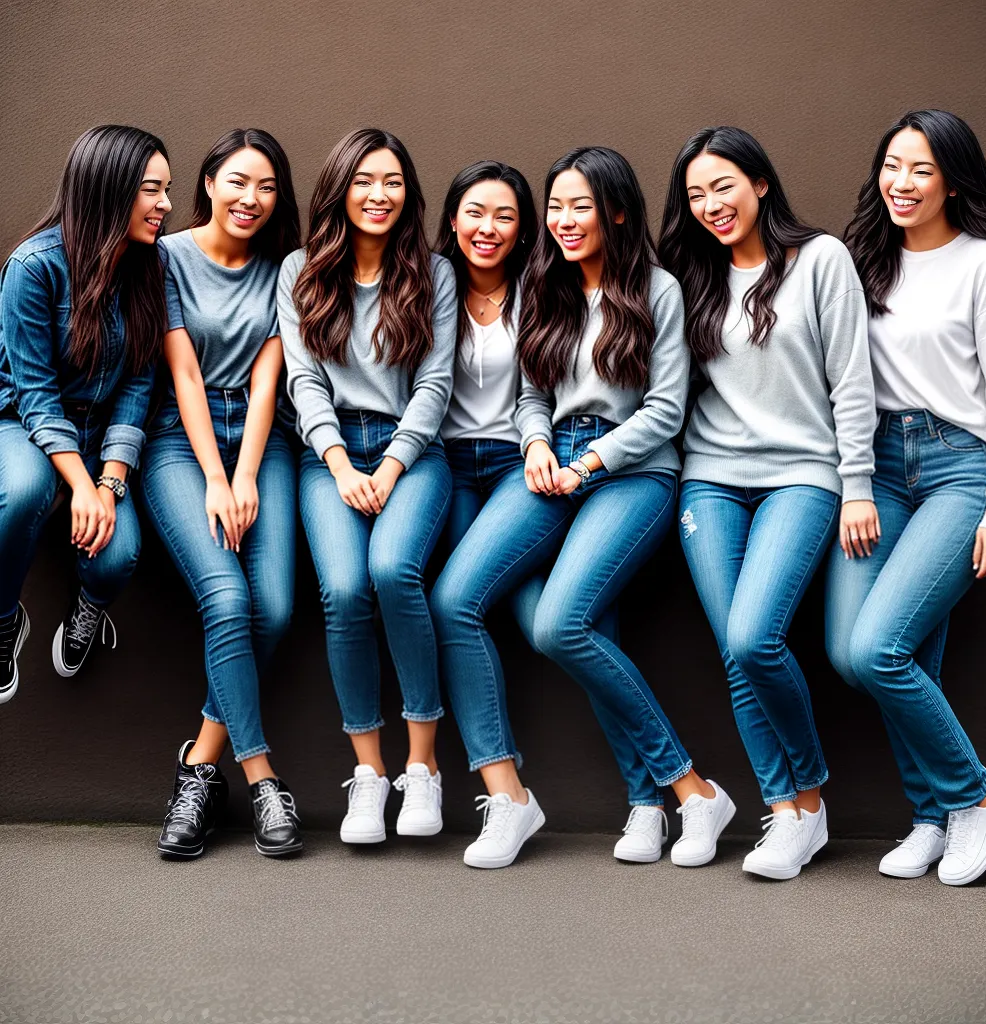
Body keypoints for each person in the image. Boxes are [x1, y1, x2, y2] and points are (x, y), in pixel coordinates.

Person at [432, 146, 733, 869]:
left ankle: (685, 791)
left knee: (563, 623)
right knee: (454, 600)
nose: (563, 221)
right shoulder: (548, 285)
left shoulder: (656, 290)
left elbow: (665, 410)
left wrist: (590, 462)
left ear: (617, 212)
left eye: (581, 206)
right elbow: (533, 393)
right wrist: (537, 446)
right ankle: (525, 800)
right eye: (557, 206)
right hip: (550, 465)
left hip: (633, 474)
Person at [658, 126, 878, 879]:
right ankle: (783, 812)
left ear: (759, 182)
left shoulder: (820, 261)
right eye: (695, 196)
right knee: (735, 652)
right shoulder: (690, 276)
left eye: (722, 186)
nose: (711, 205)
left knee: (755, 638)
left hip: (803, 477)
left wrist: (858, 486)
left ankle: (809, 803)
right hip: (709, 479)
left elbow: (853, 382)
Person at [826, 110, 986, 885]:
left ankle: (973, 796)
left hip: (957, 468)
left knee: (882, 647)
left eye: (922, 170)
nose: (902, 184)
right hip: (876, 469)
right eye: (893, 166)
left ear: (952, 181)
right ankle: (933, 817)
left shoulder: (985, 266)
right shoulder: (861, 260)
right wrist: (853, 481)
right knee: (856, 651)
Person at [278, 128, 457, 845]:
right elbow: (304, 380)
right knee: (345, 588)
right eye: (363, 181)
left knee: (392, 570)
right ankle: (370, 776)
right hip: (327, 457)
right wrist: (341, 464)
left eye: (391, 182)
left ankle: (422, 770)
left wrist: (387, 466)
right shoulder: (302, 269)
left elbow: (435, 383)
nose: (378, 195)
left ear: (408, 193)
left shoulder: (431, 272)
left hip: (410, 456)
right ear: (339, 190)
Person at [141, 129, 304, 858]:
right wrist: (214, 474)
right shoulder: (167, 256)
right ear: (208, 182)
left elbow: (270, 377)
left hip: (262, 442)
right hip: (181, 442)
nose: (252, 199)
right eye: (238, 182)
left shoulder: (280, 268)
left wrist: (245, 475)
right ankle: (262, 776)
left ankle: (198, 767)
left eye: (267, 187)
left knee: (275, 605)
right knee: (228, 599)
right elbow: (180, 374)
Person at [0, 125, 168, 701]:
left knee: (117, 557)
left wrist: (112, 480)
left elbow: (141, 381)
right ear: (109, 188)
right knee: (23, 491)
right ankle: (3, 622)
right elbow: (34, 390)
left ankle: (88, 612)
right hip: (25, 419)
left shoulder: (150, 264)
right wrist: (80, 486)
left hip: (105, 433)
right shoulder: (33, 266)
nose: (165, 205)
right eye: (152, 190)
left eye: (166, 190)